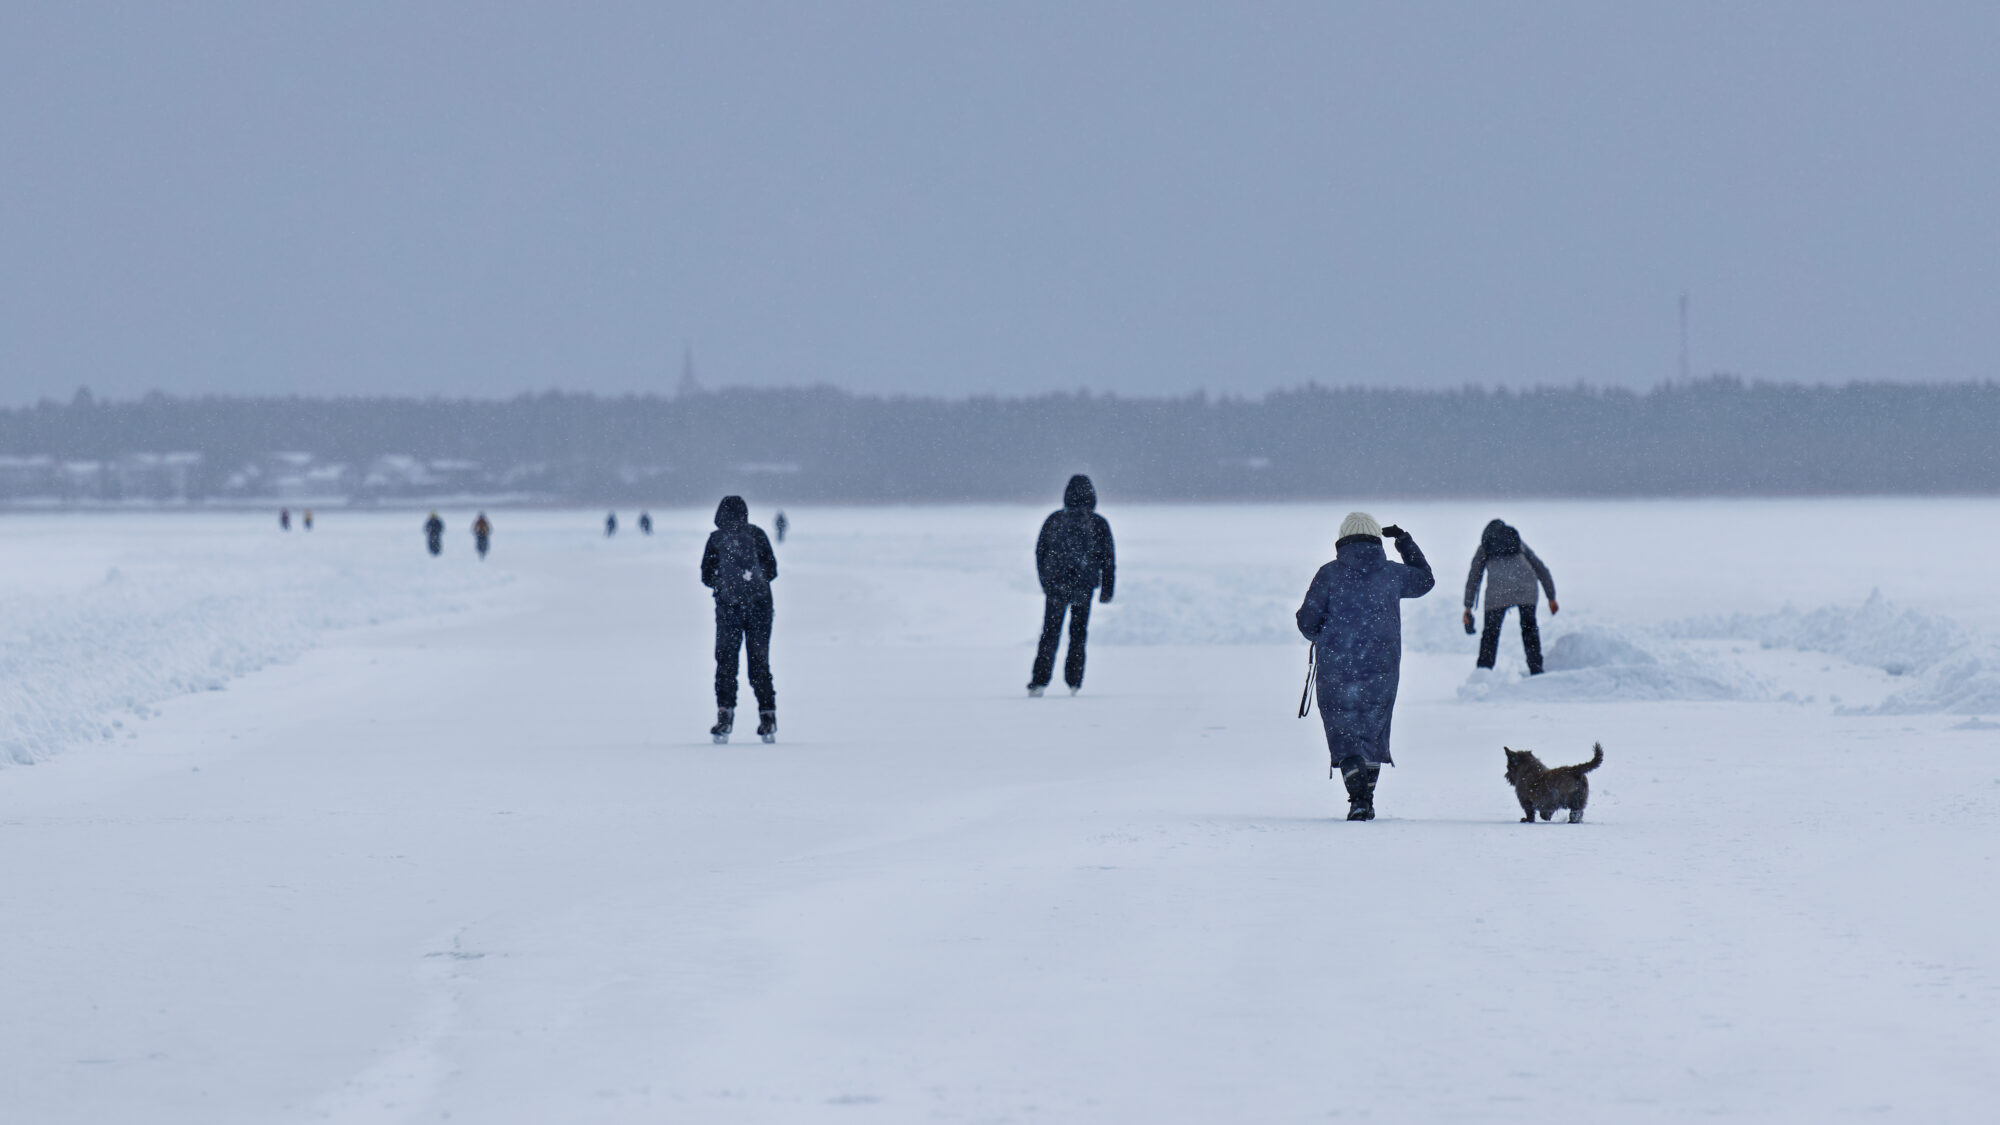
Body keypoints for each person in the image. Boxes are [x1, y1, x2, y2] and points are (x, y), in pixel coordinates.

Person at [1295, 512, 1435, 821]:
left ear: (1343, 539)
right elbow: (1425, 580)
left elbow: (1307, 621)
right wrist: (1404, 541)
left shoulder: (1329, 574)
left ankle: (1358, 798)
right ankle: (1365, 799)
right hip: (1382, 665)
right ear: (1375, 538)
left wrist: (1324, 636)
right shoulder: (1391, 574)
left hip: (1337, 666)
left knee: (1344, 733)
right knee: (1372, 731)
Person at [700, 495, 779, 743]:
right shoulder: (757, 534)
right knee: (759, 664)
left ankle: (725, 716)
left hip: (729, 610)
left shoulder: (716, 538)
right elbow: (772, 570)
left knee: (726, 663)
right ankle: (768, 717)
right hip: (760, 609)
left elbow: (705, 575)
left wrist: (725, 586)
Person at [1028, 474, 1116, 696]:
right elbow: (1108, 559)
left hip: (1056, 587)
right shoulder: (1098, 522)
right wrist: (1106, 589)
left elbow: (1040, 553)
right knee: (1078, 634)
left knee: (1050, 634)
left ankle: (1039, 682)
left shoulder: (1055, 519)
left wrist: (1046, 582)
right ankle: (1074, 683)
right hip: (1083, 587)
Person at [1462, 519, 1558, 675]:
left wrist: (1468, 606)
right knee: (1529, 630)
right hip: (1526, 588)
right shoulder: (1518, 543)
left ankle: (1484, 671)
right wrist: (1551, 597)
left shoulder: (1485, 547)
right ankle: (1536, 669)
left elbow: (1474, 577)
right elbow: (1540, 568)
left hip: (1497, 592)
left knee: (1490, 633)